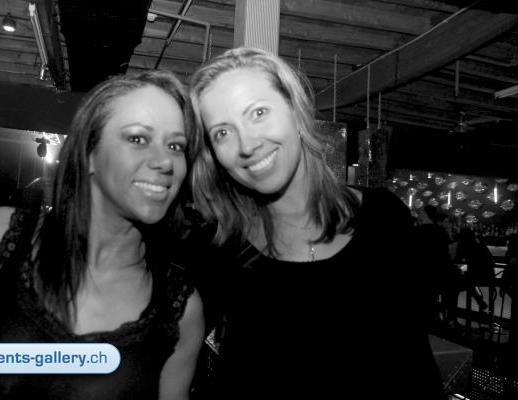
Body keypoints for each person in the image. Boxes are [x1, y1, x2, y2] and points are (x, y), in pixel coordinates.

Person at [0, 70, 205, 399]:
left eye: (176, 145)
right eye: (138, 139)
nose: (165, 161)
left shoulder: (181, 311)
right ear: (90, 153)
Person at [185, 47, 444, 399]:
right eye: (222, 133)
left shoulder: (384, 216)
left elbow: (413, 360)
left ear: (295, 110)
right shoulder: (220, 247)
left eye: (258, 112)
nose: (247, 145)